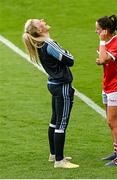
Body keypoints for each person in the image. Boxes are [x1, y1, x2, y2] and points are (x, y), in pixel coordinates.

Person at [23, 19, 79, 168]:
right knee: (62, 122)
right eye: (39, 21)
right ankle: (59, 161)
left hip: (53, 84)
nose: (42, 20)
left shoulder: (39, 44)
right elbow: (70, 60)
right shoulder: (48, 44)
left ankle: (53, 154)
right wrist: (66, 51)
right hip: (62, 86)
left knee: (54, 120)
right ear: (40, 30)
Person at [95, 15, 117, 166]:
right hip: (108, 85)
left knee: (113, 121)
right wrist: (101, 58)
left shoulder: (115, 43)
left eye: (97, 29)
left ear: (105, 30)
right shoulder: (106, 42)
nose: (95, 31)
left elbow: (103, 59)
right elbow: (102, 60)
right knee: (110, 122)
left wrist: (102, 43)